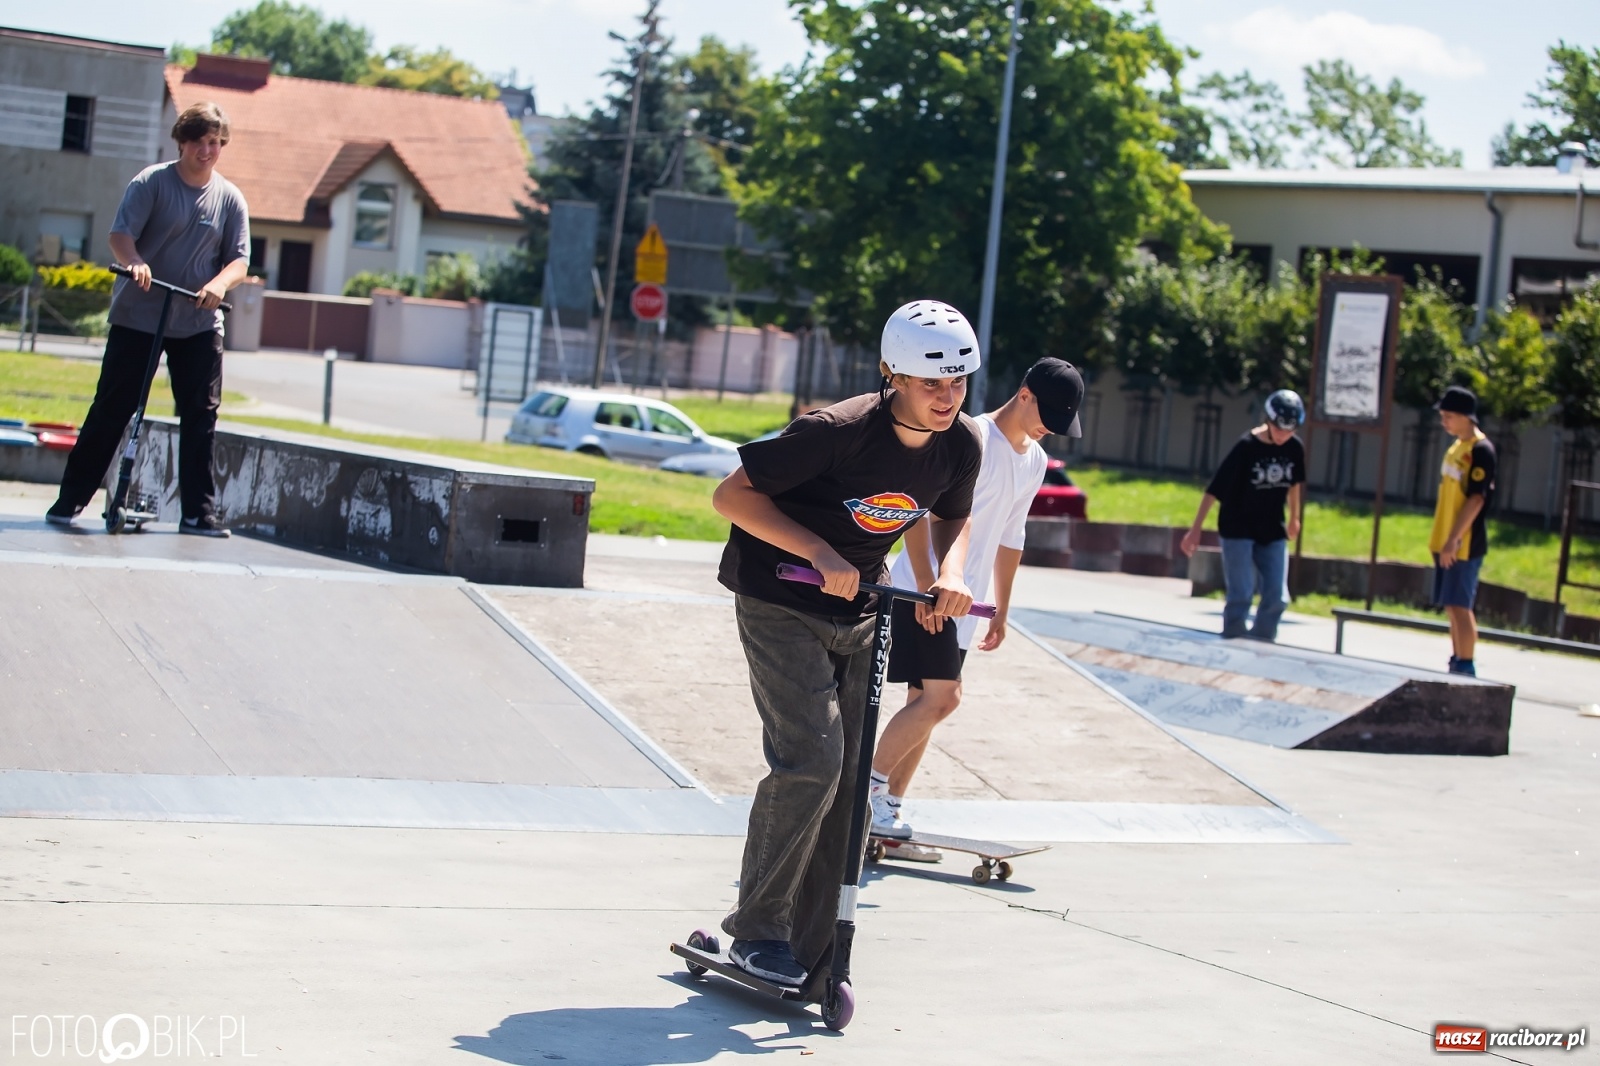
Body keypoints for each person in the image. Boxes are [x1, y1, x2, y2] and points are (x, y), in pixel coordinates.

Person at [711, 299, 983, 990]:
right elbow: (732, 497)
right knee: (814, 762)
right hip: (781, 597)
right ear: (893, 375)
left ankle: (813, 941)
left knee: (855, 778)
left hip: (863, 606)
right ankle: (756, 933)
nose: (947, 398)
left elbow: (956, 520)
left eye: (958, 382)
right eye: (932, 384)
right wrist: (816, 548)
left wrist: (949, 572)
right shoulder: (837, 431)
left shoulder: (961, 447)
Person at [867, 357, 1086, 859]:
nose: (1048, 429)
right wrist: (928, 583)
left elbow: (1012, 537)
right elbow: (921, 509)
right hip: (929, 592)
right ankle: (865, 796)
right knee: (943, 699)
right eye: (1045, 414)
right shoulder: (972, 438)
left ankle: (886, 813)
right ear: (1025, 393)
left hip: (968, 604)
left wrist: (1002, 608)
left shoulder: (1031, 460)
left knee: (926, 706)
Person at [46, 102, 250, 537]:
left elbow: (239, 260)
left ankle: (198, 514)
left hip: (197, 320)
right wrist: (135, 262)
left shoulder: (230, 198)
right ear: (183, 141)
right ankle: (71, 500)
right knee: (113, 407)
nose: (208, 151)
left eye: (216, 143)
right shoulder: (152, 183)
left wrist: (218, 285)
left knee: (200, 414)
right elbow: (120, 235)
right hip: (142, 313)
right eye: (201, 142)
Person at [1180, 389, 1306, 641]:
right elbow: (1213, 490)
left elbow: (1294, 483)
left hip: (1271, 527)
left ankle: (1262, 641)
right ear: (1268, 421)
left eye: (1290, 431)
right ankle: (1235, 638)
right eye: (1280, 429)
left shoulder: (1294, 447)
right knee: (1242, 593)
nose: (1284, 436)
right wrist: (1195, 530)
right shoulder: (1246, 447)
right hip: (1237, 526)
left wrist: (1294, 517)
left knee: (1277, 596)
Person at [1429, 385, 1497, 677]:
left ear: (1467, 417)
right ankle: (1456, 657)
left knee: (1460, 604)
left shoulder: (1480, 450)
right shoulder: (1456, 446)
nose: (1445, 421)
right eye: (1442, 416)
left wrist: (1454, 538)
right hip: (1444, 538)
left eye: (1450, 416)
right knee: (1450, 605)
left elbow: (1477, 498)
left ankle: (1466, 664)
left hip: (1463, 542)